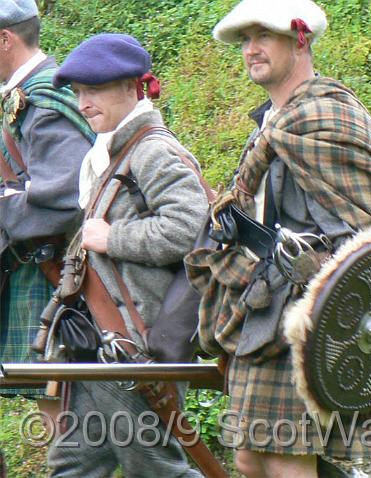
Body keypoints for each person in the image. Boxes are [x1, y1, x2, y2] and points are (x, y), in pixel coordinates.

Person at [185, 0, 371, 476]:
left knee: (287, 463)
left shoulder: (328, 120)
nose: (251, 49)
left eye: (263, 35)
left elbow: (365, 234)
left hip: (306, 316)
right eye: (245, 40)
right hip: (261, 306)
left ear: (300, 39)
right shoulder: (272, 122)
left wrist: (304, 275)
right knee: (249, 459)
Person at [46, 33, 207, 478]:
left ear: (132, 88)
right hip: (98, 343)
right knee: (71, 467)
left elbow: (191, 230)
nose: (82, 103)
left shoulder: (153, 151)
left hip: (133, 345)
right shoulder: (112, 153)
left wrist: (112, 237)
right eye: (78, 92)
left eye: (93, 89)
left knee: (156, 470)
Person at [0, 0, 94, 401]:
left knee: (59, 405)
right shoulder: (26, 94)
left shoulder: (42, 100)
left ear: (4, 40)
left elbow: (66, 197)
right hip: (40, 265)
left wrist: (5, 206)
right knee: (52, 404)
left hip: (58, 270)